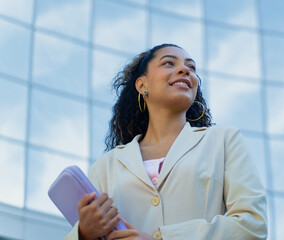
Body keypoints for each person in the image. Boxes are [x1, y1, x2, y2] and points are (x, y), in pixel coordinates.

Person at [65, 43, 267, 240]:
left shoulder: (224, 141)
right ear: (142, 85)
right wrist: (84, 234)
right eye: (169, 63)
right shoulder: (106, 166)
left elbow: (252, 225)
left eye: (191, 67)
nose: (185, 70)